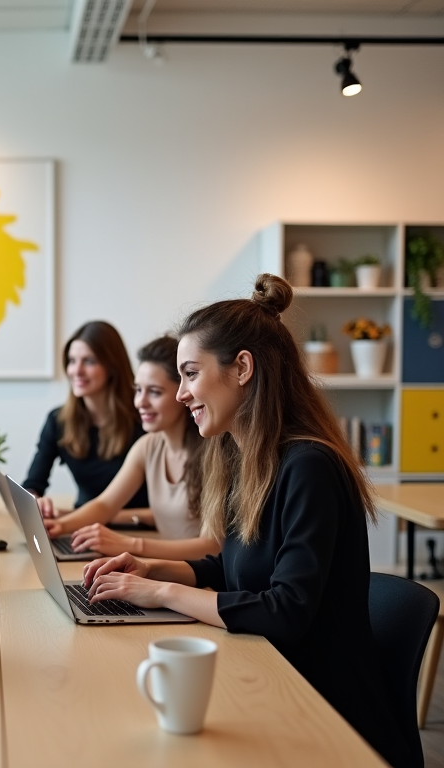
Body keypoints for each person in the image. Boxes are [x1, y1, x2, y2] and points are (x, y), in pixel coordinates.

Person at [83, 274, 410, 768]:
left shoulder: (309, 468)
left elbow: (286, 610)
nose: (180, 395)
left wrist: (163, 595)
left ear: (241, 368)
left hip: (327, 718)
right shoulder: (248, 461)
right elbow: (231, 569)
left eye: (190, 374)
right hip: (275, 680)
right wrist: (152, 572)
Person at [42, 336, 219, 560]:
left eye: (154, 392)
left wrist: (131, 544)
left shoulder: (214, 454)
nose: (140, 402)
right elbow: (105, 504)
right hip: (172, 572)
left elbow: (213, 547)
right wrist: (58, 526)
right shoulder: (148, 446)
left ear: (183, 393)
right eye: (138, 390)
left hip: (203, 582)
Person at [23, 321, 148, 516]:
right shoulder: (58, 420)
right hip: (81, 529)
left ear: (112, 366)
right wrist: (36, 503)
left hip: (138, 532)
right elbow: (32, 485)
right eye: (72, 361)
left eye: (89, 361)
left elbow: (167, 508)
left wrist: (81, 517)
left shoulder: (144, 418)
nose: (76, 371)